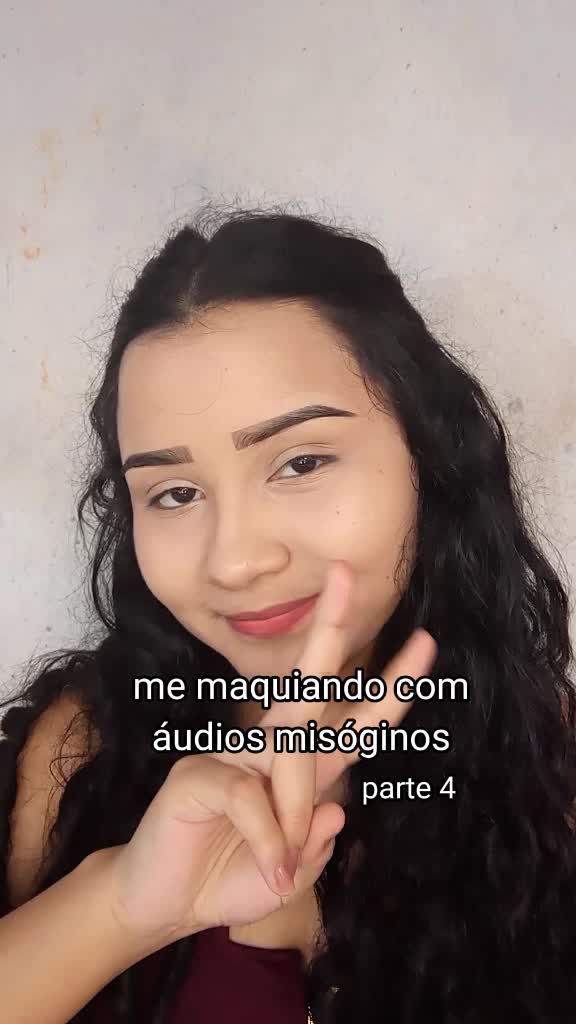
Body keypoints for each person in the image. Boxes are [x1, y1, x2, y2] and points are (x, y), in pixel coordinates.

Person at [0, 200, 575, 1024]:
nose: (234, 561)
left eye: (300, 463)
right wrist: (120, 908)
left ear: (429, 457)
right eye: (175, 493)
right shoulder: (80, 753)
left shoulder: (552, 770)